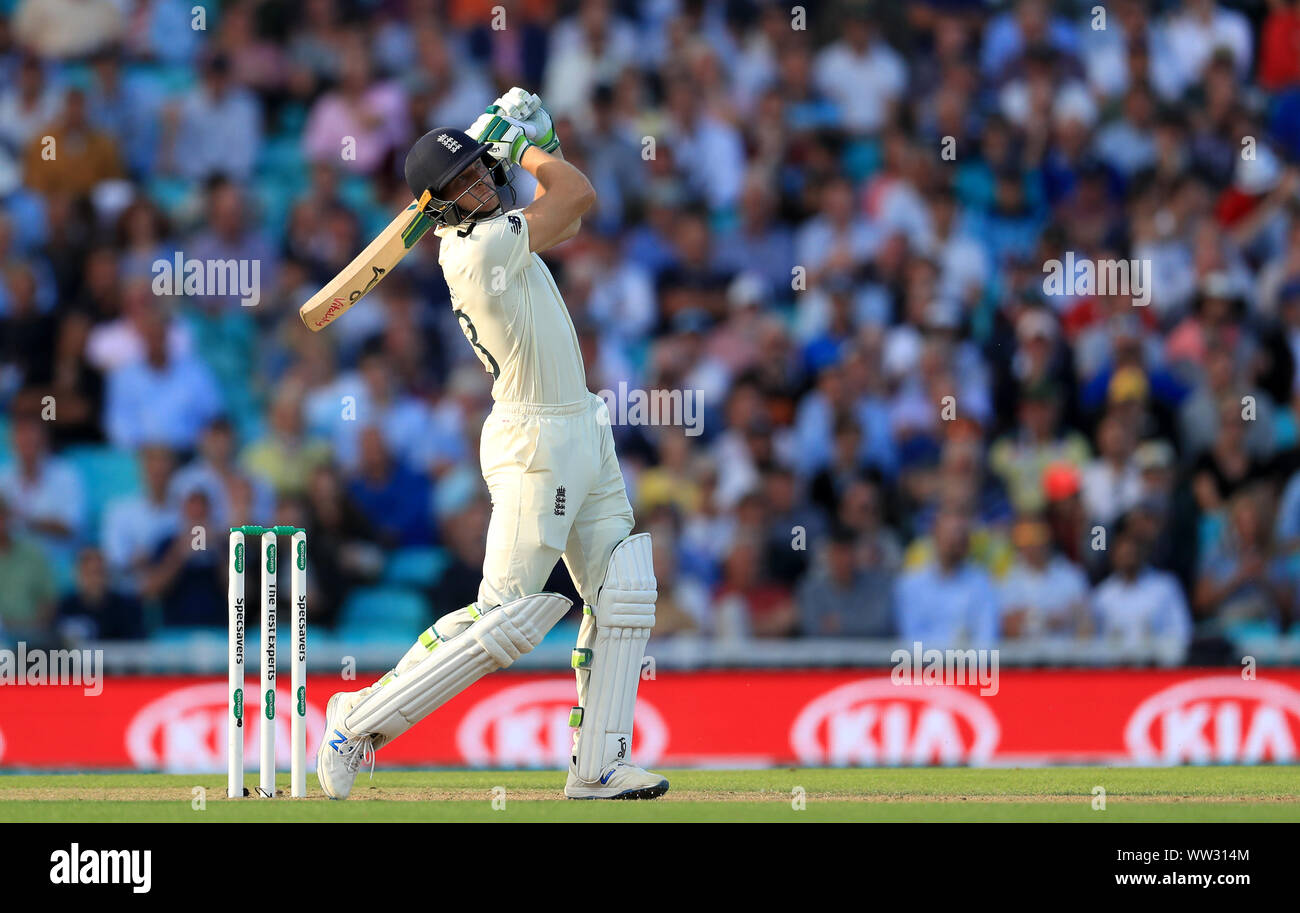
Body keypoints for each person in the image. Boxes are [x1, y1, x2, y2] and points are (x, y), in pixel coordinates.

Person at [317, 89, 668, 801]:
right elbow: (577, 195)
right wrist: (522, 144)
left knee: (623, 590)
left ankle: (597, 764)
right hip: (535, 438)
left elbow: (564, 214)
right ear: (437, 206)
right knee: (506, 619)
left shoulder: (506, 227)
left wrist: (532, 139)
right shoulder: (475, 250)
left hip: (581, 424)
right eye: (465, 181)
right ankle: (353, 723)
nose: (482, 183)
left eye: (483, 171)